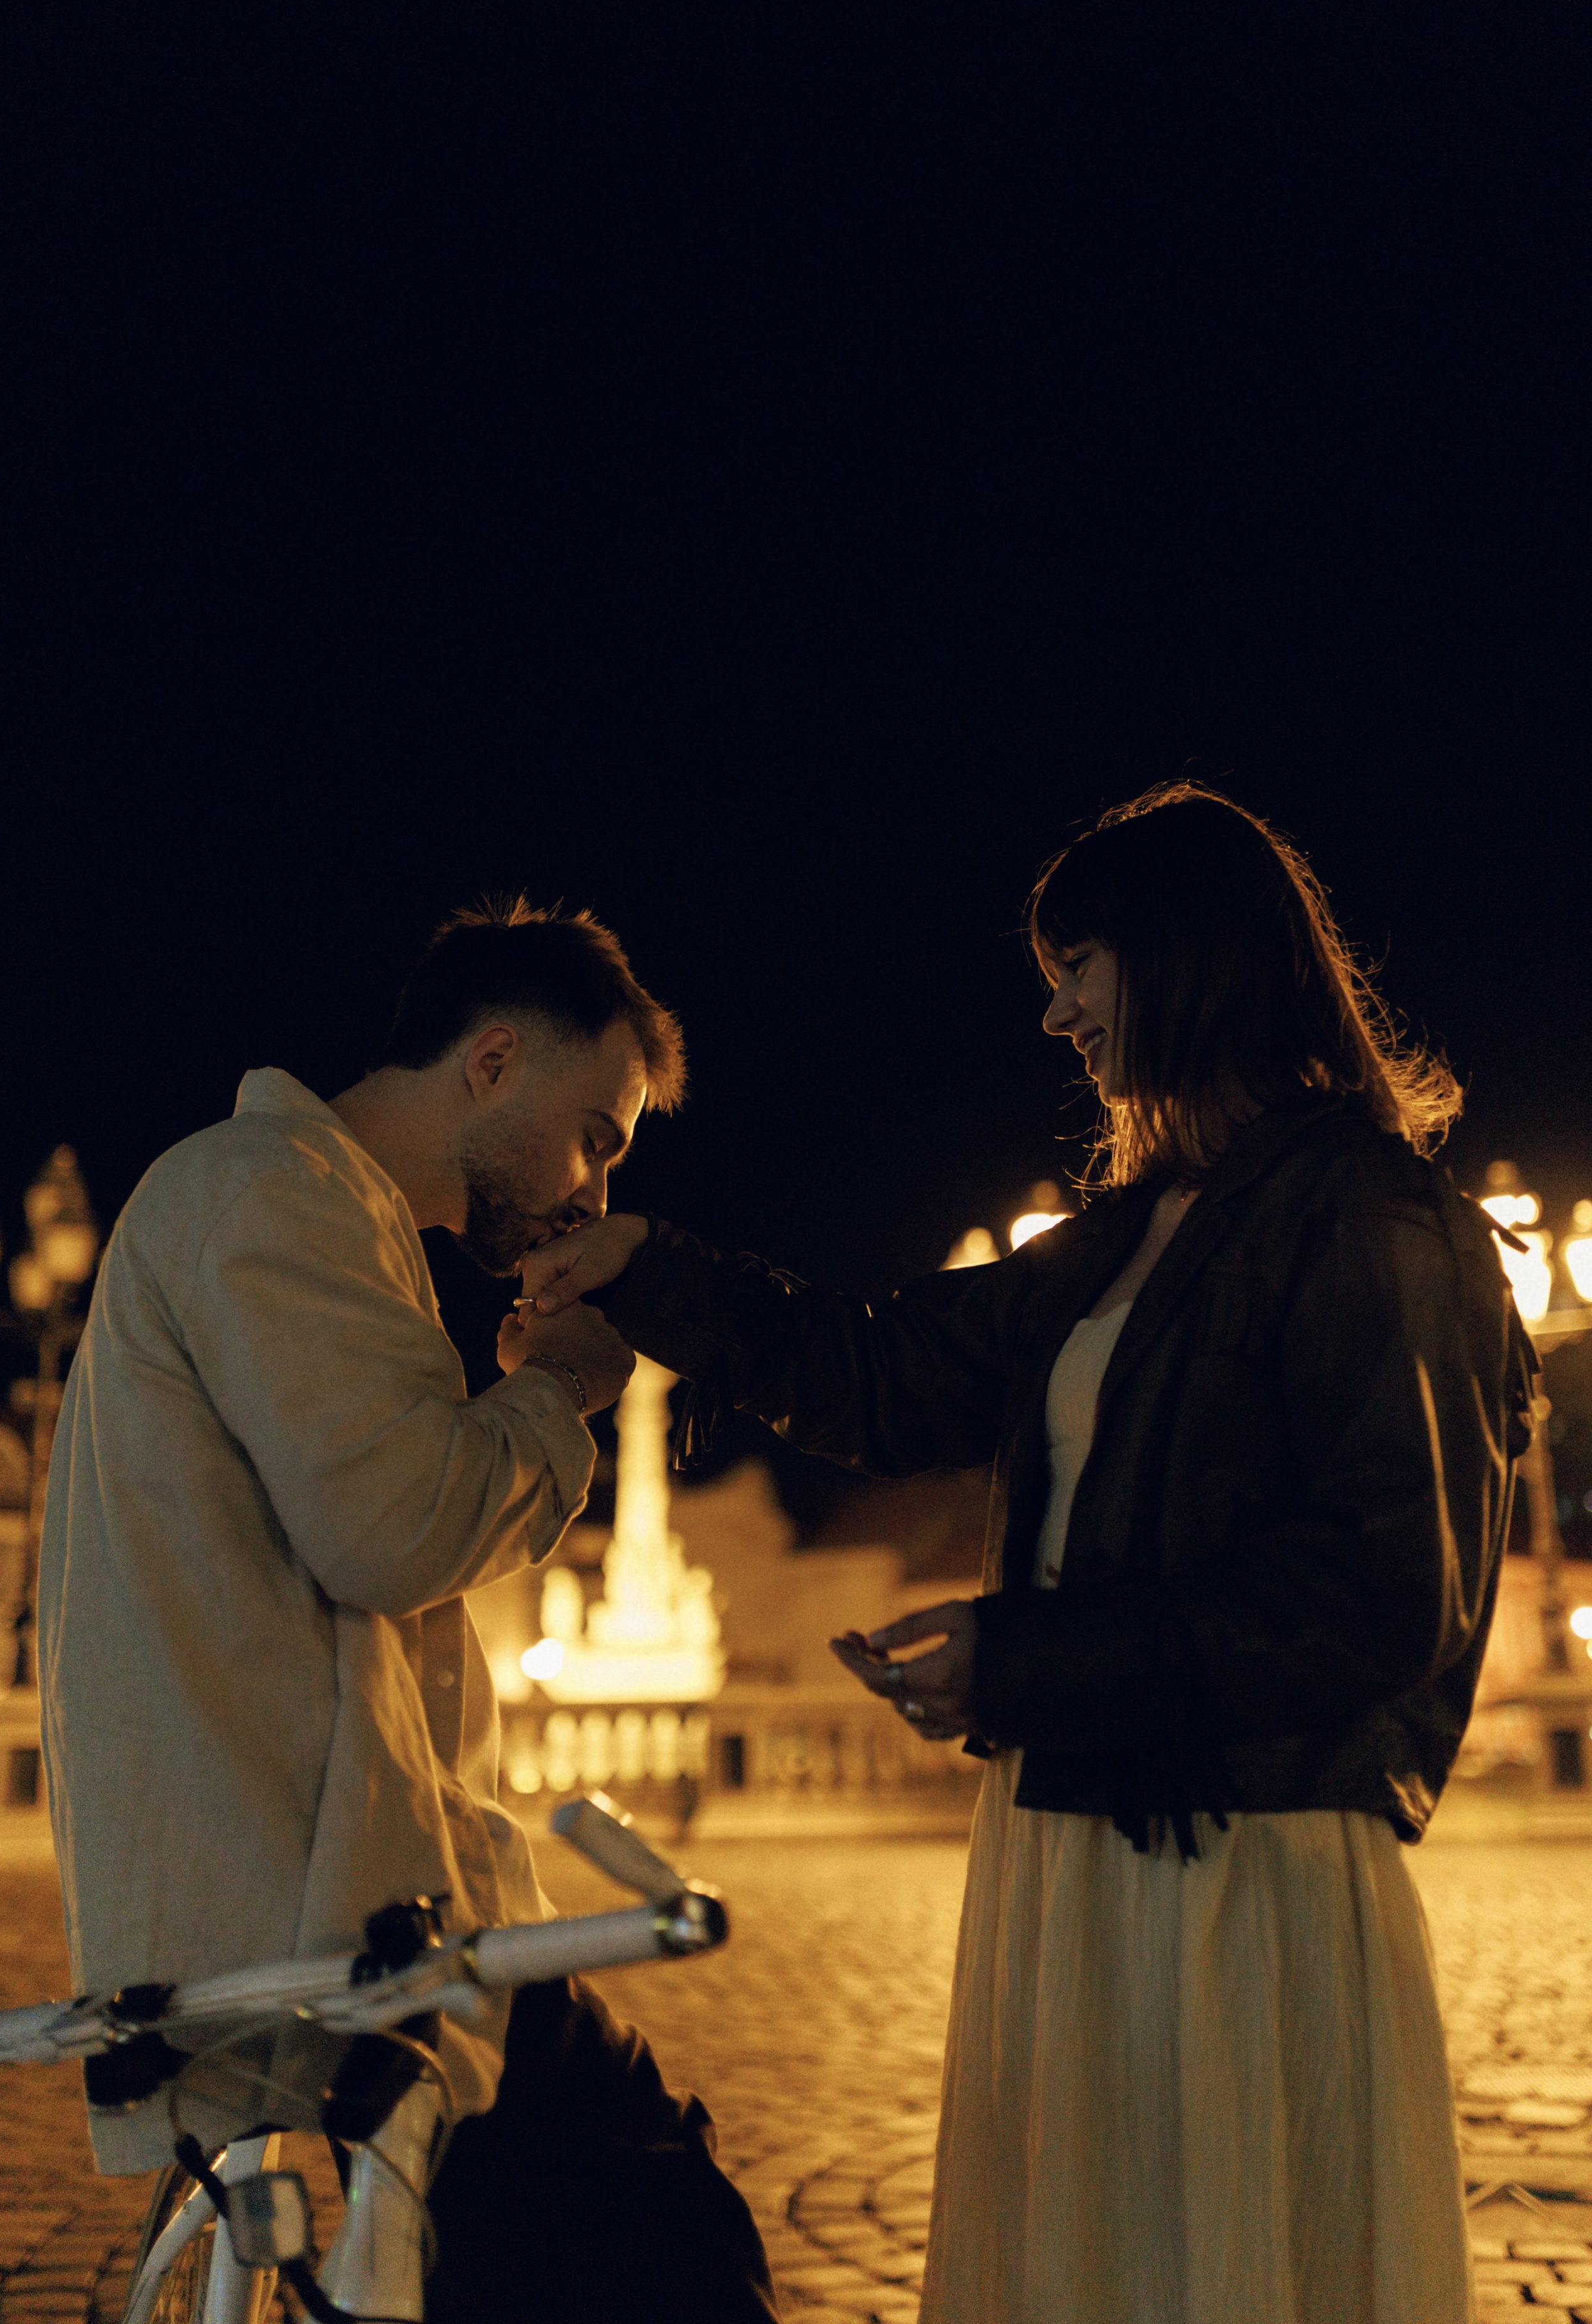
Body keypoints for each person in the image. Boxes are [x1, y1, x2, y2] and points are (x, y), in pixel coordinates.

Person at [518, 783, 1536, 2324]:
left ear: (1187, 958)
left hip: (1238, 1863)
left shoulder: (1380, 1221)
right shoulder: (1136, 1230)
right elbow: (888, 1372)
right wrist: (648, 1268)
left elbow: (1383, 1594)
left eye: (1082, 962)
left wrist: (1026, 1658)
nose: (1056, 1011)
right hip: (1074, 1838)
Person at [39, 898, 778, 2324]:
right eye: (597, 1135)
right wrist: (559, 1388)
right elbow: (396, 1529)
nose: (590, 1188)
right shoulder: (273, 1194)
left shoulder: (315, 1211)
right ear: (491, 1064)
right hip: (328, 1920)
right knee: (665, 2238)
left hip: (346, 1900)